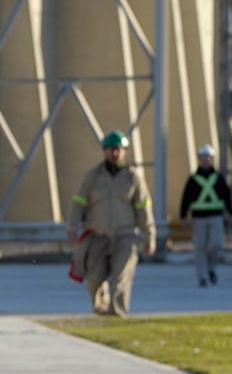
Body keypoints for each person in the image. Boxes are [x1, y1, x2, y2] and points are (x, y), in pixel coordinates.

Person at [65, 130, 157, 316]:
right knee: (94, 279)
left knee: (121, 279)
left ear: (125, 151)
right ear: (104, 151)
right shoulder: (92, 177)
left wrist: (150, 235)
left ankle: (117, 314)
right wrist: (72, 227)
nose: (114, 153)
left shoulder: (133, 178)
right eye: (110, 149)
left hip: (125, 237)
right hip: (98, 236)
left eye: (118, 149)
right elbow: (78, 203)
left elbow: (144, 207)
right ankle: (101, 309)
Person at [177, 144, 232, 287]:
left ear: (212, 159)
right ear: (199, 159)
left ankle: (211, 269)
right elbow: (186, 198)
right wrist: (183, 217)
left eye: (208, 157)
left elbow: (227, 197)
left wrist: (230, 213)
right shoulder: (193, 179)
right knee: (200, 247)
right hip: (199, 218)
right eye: (202, 157)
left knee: (217, 245)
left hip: (216, 217)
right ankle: (202, 276)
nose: (205, 160)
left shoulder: (218, 178)